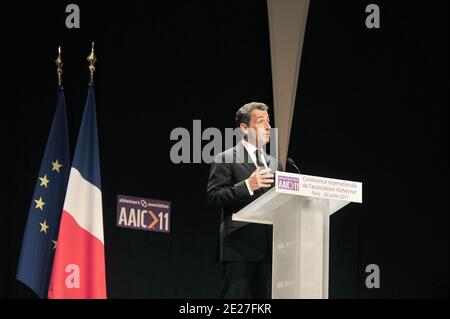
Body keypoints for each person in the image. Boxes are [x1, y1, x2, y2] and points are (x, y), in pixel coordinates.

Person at [207, 102, 283, 298]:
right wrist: (248, 185)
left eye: (268, 121)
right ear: (244, 128)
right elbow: (214, 196)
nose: (267, 126)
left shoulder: (275, 164)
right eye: (260, 121)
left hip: (269, 250)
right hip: (239, 246)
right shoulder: (226, 158)